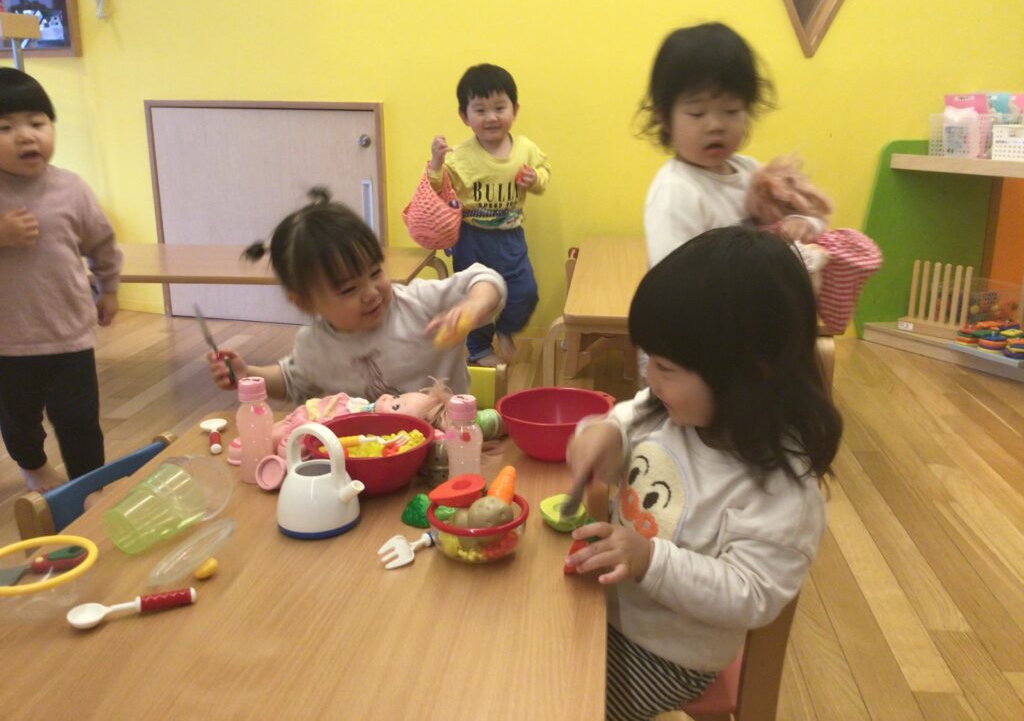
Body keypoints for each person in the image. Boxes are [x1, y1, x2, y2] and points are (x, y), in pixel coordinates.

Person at [565, 227, 842, 720]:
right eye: (649, 361)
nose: (648, 379)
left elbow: (751, 594)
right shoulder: (673, 408)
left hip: (667, 656)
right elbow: (628, 416)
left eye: (665, 368)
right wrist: (605, 432)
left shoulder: (780, 488)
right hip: (604, 609)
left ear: (749, 372)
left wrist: (651, 560)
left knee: (559, 700)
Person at [207, 188, 507, 402]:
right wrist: (249, 374)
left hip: (445, 444)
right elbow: (292, 382)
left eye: (375, 272)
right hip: (365, 457)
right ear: (305, 302)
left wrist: (474, 304)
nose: (371, 292)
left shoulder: (418, 303)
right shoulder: (314, 345)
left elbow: (485, 279)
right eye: (349, 289)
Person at [0, 68, 122, 492]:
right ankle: (33, 467)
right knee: (19, 420)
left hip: (69, 333)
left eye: (37, 123)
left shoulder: (71, 189)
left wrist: (109, 288)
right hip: (7, 343)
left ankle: (90, 486)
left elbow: (101, 242)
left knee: (80, 419)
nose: (25, 136)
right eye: (5, 128)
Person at [639, 22, 826, 268]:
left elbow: (815, 220)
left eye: (731, 110)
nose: (716, 125)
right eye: (697, 113)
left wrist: (804, 224)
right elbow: (672, 278)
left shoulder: (751, 172)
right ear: (665, 119)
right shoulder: (676, 192)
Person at [427, 63, 550, 367]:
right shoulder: (461, 156)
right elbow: (438, 189)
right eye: (480, 110)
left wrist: (535, 179)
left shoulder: (525, 149)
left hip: (511, 236)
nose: (491, 117)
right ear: (464, 116)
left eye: (499, 107)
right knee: (474, 296)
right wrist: (436, 162)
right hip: (471, 238)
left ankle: (506, 329)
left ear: (515, 109)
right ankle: (479, 348)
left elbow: (543, 175)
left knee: (526, 291)